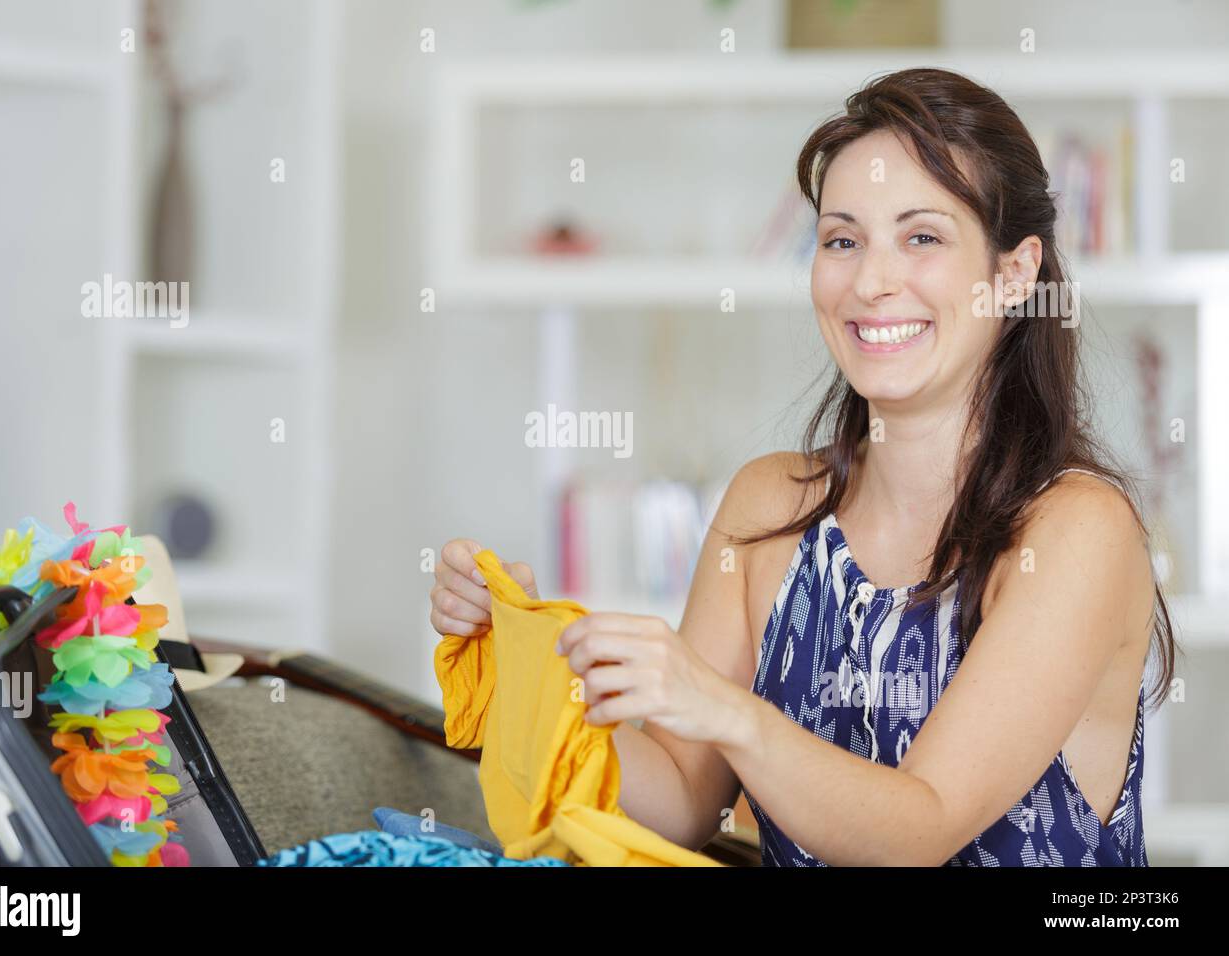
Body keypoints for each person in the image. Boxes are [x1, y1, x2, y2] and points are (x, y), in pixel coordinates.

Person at [429, 67, 1177, 867]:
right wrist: (529, 660)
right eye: (842, 240)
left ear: (1015, 273)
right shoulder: (768, 508)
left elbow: (920, 829)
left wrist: (725, 711)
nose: (871, 282)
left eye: (922, 237)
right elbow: (678, 803)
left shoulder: (1077, 530)